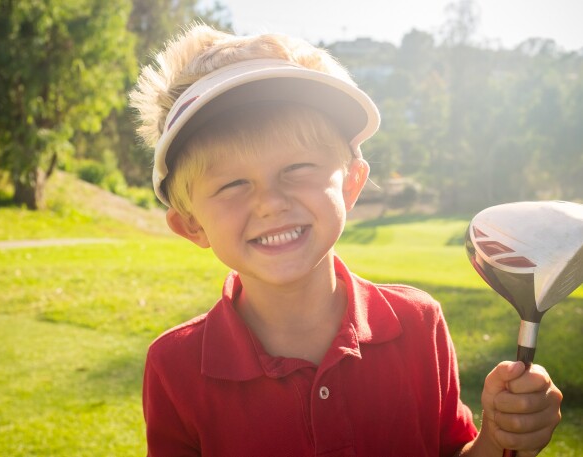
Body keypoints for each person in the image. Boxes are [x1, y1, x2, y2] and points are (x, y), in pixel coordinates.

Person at [130, 24, 562, 457]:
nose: (270, 203)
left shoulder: (418, 324)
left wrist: (497, 439)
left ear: (352, 183)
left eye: (298, 168)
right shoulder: (174, 366)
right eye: (232, 184)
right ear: (192, 225)